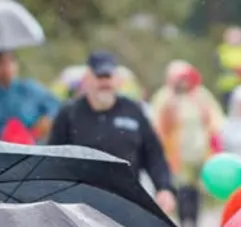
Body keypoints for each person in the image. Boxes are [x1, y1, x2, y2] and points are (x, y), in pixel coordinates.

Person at [49, 51, 177, 217]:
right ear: (87, 79)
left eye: (108, 76)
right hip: (81, 206)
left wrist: (164, 188)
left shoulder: (133, 111)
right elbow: (53, 158)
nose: (104, 83)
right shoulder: (69, 113)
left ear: (116, 79)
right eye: (99, 76)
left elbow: (154, 155)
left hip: (127, 202)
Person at [151, 61, 224, 227]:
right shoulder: (165, 97)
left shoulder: (201, 95)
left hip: (199, 153)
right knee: (181, 194)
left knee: (196, 195)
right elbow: (156, 125)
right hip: (177, 155)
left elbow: (216, 120)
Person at [0, 50, 61, 141]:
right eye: (2, 63)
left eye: (11, 62)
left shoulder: (29, 89)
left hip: (29, 144)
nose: (7, 68)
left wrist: (46, 120)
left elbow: (55, 107)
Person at [216, 26, 241, 108]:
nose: (235, 38)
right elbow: (218, 66)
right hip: (227, 86)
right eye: (232, 36)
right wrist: (236, 69)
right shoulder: (221, 50)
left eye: (237, 36)